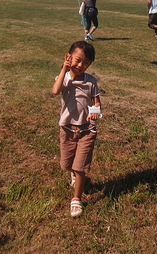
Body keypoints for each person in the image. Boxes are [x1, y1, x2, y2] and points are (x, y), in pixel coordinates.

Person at [52, 41, 102, 218]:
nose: (81, 65)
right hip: (67, 128)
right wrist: (64, 69)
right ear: (69, 57)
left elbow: (97, 102)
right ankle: (73, 173)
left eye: (86, 63)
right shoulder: (64, 78)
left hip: (87, 130)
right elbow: (55, 91)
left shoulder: (91, 82)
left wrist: (95, 112)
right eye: (77, 60)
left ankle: (76, 199)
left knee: (80, 167)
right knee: (67, 164)